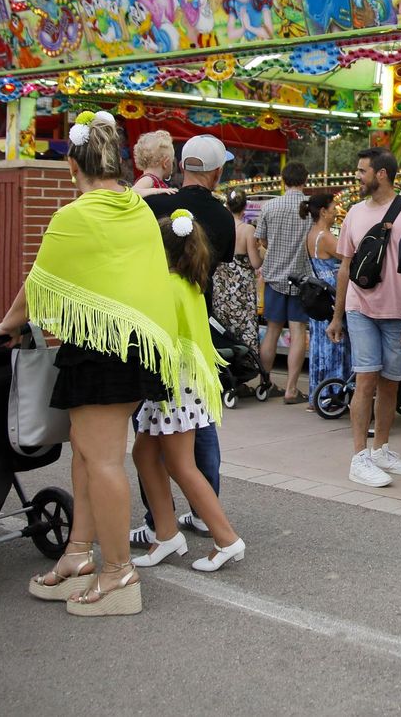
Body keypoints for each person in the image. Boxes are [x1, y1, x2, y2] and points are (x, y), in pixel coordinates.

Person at [0, 110, 183, 615]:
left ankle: (119, 573)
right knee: (86, 456)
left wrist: (5, 326)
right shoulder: (136, 209)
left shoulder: (73, 216)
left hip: (98, 349)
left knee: (100, 460)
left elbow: (39, 285)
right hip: (135, 345)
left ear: (74, 165)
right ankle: (78, 554)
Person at [131, 211, 245, 572]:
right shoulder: (189, 284)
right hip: (182, 383)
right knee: (145, 455)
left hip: (171, 385)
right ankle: (166, 534)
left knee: (180, 464)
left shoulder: (167, 286)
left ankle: (226, 539)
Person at [138, 134, 236, 540]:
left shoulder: (155, 205)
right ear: (216, 172)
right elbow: (224, 260)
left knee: (150, 430)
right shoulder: (224, 218)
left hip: (157, 327)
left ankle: (157, 519)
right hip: (198, 325)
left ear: (182, 166)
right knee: (201, 423)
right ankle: (203, 507)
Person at [327, 147, 401, 487]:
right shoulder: (354, 213)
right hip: (361, 308)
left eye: (362, 170)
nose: (357, 176)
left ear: (381, 173)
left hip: (399, 311)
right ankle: (360, 456)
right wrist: (337, 315)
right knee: (366, 380)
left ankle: (381, 448)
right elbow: (345, 267)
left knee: (391, 383)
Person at [254, 162, 313, 402]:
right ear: (305, 181)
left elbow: (262, 240)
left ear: (282, 180)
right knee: (298, 331)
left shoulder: (270, 206)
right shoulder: (310, 209)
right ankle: (291, 389)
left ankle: (265, 384)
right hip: (301, 279)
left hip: (274, 277)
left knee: (272, 331)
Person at [302, 193, 349, 405]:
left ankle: (319, 392)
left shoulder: (311, 234)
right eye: (332, 209)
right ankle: (334, 392)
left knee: (320, 345)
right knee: (336, 344)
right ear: (323, 211)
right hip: (331, 294)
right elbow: (347, 255)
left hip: (318, 296)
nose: (335, 213)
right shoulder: (326, 237)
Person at [210, 189, 261, 361]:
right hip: (242, 288)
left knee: (222, 326)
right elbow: (255, 263)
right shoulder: (248, 230)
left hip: (221, 285)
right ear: (244, 207)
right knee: (243, 327)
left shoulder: (221, 225)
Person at [132, 130, 177, 195]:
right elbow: (133, 192)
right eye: (172, 161)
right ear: (165, 163)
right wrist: (157, 191)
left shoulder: (153, 180)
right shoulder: (148, 179)